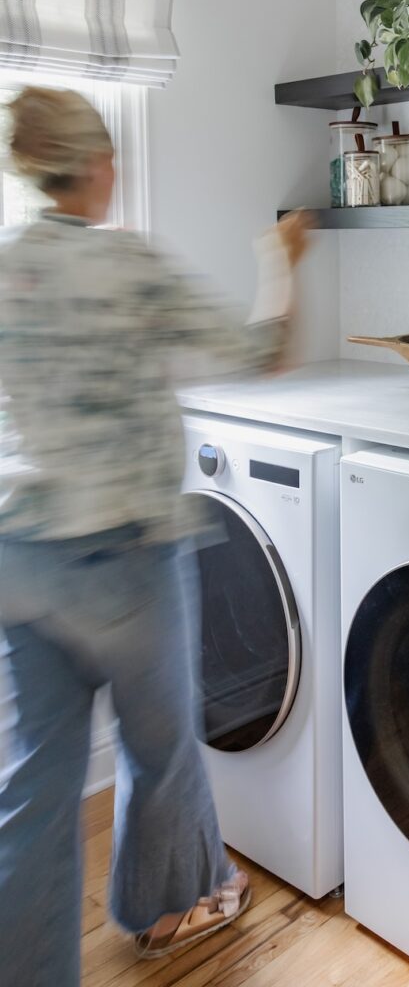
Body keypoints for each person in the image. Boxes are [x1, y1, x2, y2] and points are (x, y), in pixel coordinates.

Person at [0, 85, 311, 986]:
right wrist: (279, 255)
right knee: (163, 747)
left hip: (21, 555)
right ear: (98, 167)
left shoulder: (7, 267)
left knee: (36, 786)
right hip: (125, 554)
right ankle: (171, 910)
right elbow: (261, 353)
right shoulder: (126, 262)